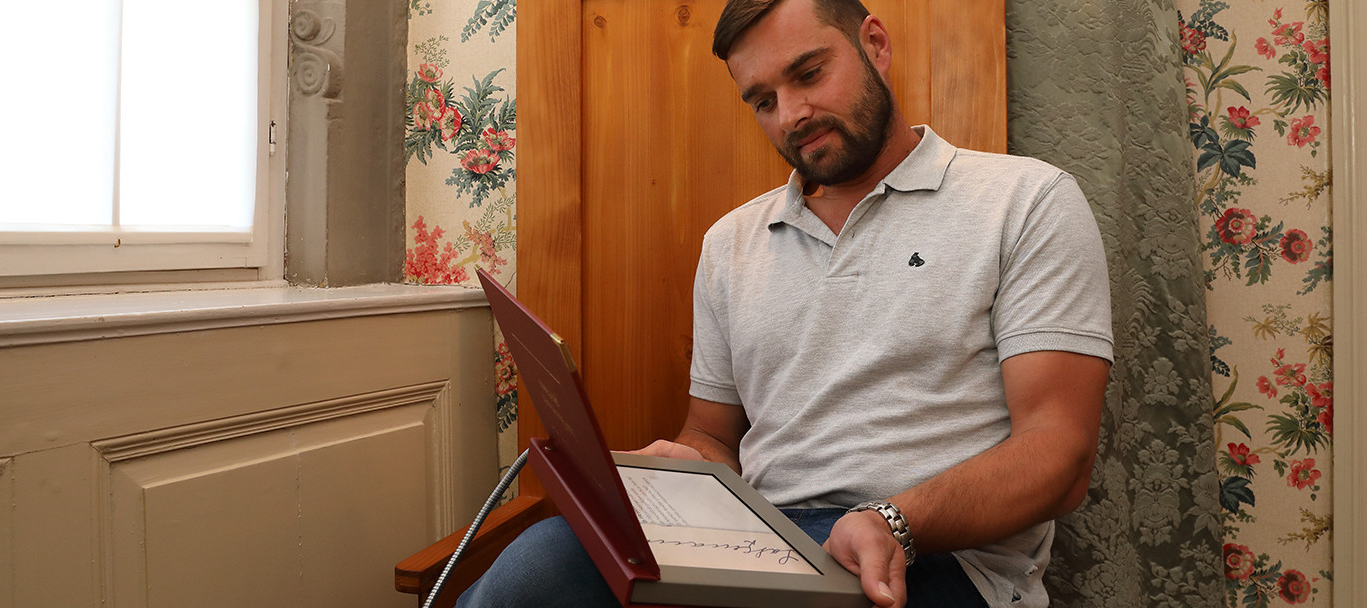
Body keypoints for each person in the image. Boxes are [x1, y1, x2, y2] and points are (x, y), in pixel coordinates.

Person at [457, 0, 1113, 605]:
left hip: (941, 558)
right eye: (762, 100)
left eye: (808, 74)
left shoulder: (1024, 200)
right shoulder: (730, 243)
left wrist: (893, 521)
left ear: (874, 44)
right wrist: (687, 467)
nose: (790, 114)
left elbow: (1060, 453)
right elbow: (712, 435)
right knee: (533, 566)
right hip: (763, 543)